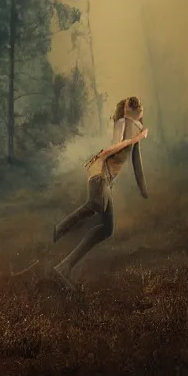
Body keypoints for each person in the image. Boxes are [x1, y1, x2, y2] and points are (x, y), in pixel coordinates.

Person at [52, 96, 149, 289]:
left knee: (107, 229)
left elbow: (136, 163)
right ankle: (59, 230)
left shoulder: (136, 129)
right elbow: (111, 149)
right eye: (133, 110)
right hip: (99, 172)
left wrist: (143, 189)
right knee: (95, 205)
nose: (137, 115)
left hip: (106, 179)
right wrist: (137, 138)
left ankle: (64, 267)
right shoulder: (122, 122)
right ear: (127, 111)